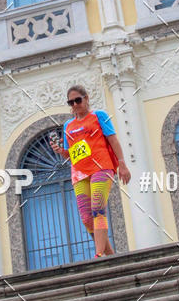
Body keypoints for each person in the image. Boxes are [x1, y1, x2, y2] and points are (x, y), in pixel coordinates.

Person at [50, 85, 131, 258]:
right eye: (71, 102)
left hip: (101, 167)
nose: (75, 105)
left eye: (78, 100)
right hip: (79, 173)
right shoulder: (68, 126)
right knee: (87, 218)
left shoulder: (99, 116)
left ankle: (99, 254)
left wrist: (122, 164)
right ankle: (110, 255)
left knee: (98, 209)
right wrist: (60, 151)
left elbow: (113, 140)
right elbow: (71, 155)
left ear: (86, 98)